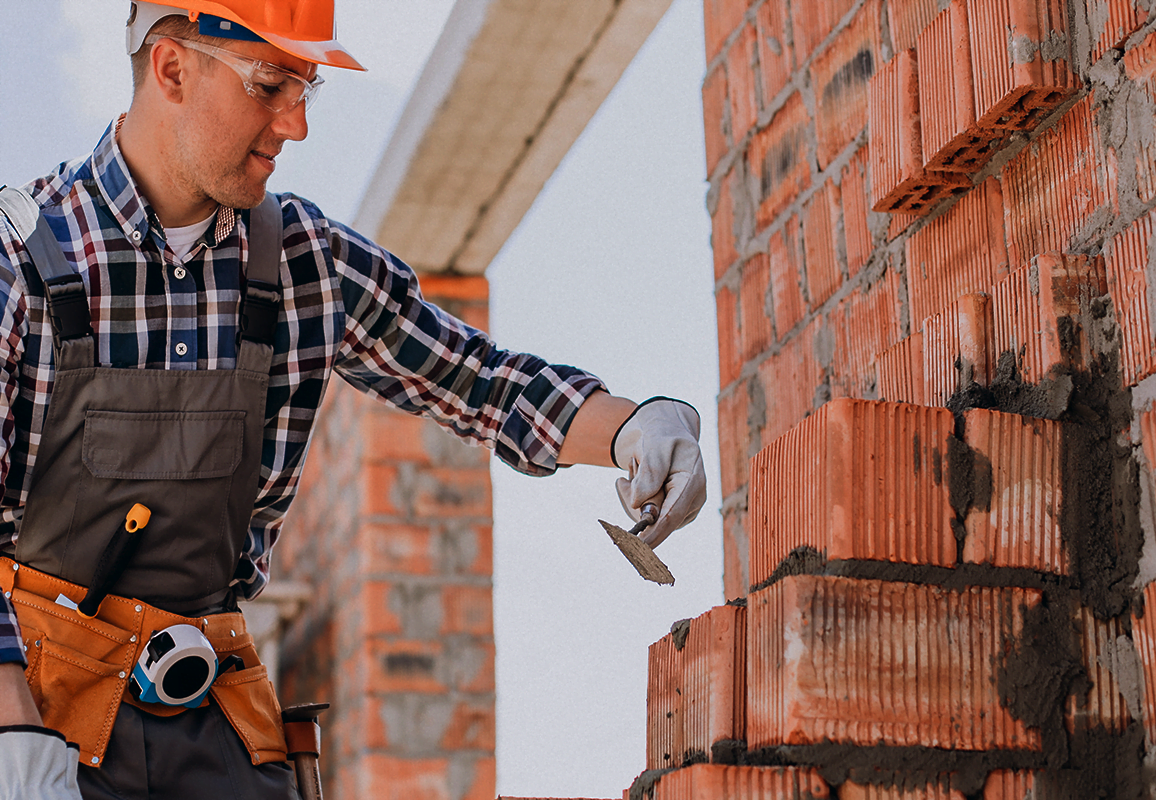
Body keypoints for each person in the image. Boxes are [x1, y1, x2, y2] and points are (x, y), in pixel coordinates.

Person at [0, 2, 707, 798]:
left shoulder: (303, 263)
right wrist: (11, 733)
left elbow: (479, 380)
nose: (295, 126)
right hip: (37, 726)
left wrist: (635, 427)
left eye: (308, 87)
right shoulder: (21, 261)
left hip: (214, 728)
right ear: (171, 68)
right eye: (270, 85)